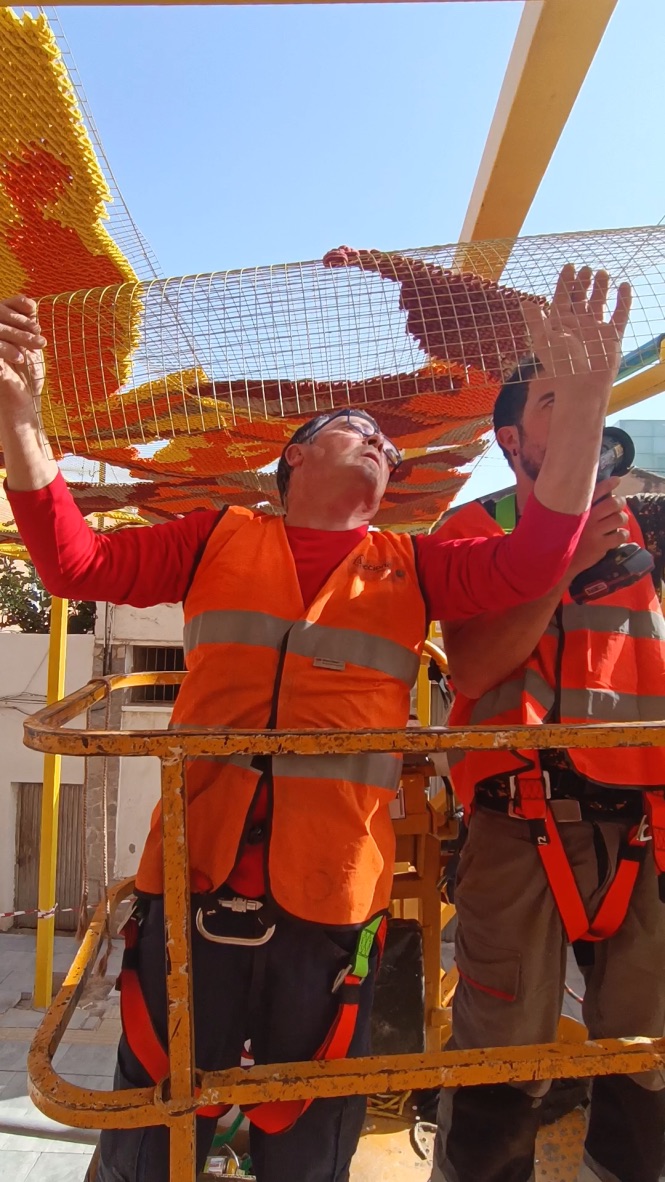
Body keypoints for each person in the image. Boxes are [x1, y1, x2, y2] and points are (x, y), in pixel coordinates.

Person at [0, 265, 629, 1182]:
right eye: (355, 427)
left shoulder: (410, 566)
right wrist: (21, 415)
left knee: (309, 1137)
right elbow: (71, 560)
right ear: (290, 459)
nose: (381, 441)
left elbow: (539, 556)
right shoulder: (215, 537)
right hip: (191, 878)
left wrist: (583, 401)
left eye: (387, 441)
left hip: (331, 898)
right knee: (148, 1121)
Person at [430, 333, 665, 1178]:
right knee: (502, 1048)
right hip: (515, 821)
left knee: (643, 1050)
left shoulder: (648, 523)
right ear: (511, 440)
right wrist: (569, 566)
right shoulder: (471, 526)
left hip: (640, 824)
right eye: (552, 401)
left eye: (589, 398)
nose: (579, 416)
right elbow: (477, 666)